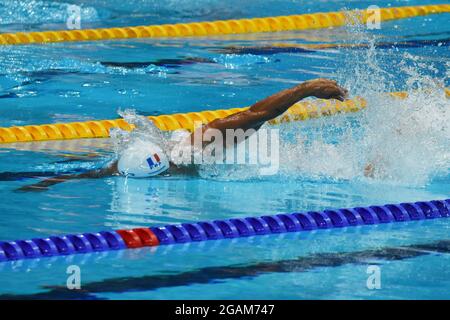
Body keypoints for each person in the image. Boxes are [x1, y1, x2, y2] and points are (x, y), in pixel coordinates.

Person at [18, 78, 348, 191]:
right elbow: (93, 173)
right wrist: (53, 181)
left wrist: (307, 90)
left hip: (265, 155)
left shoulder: (202, 147)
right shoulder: (125, 166)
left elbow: (258, 114)